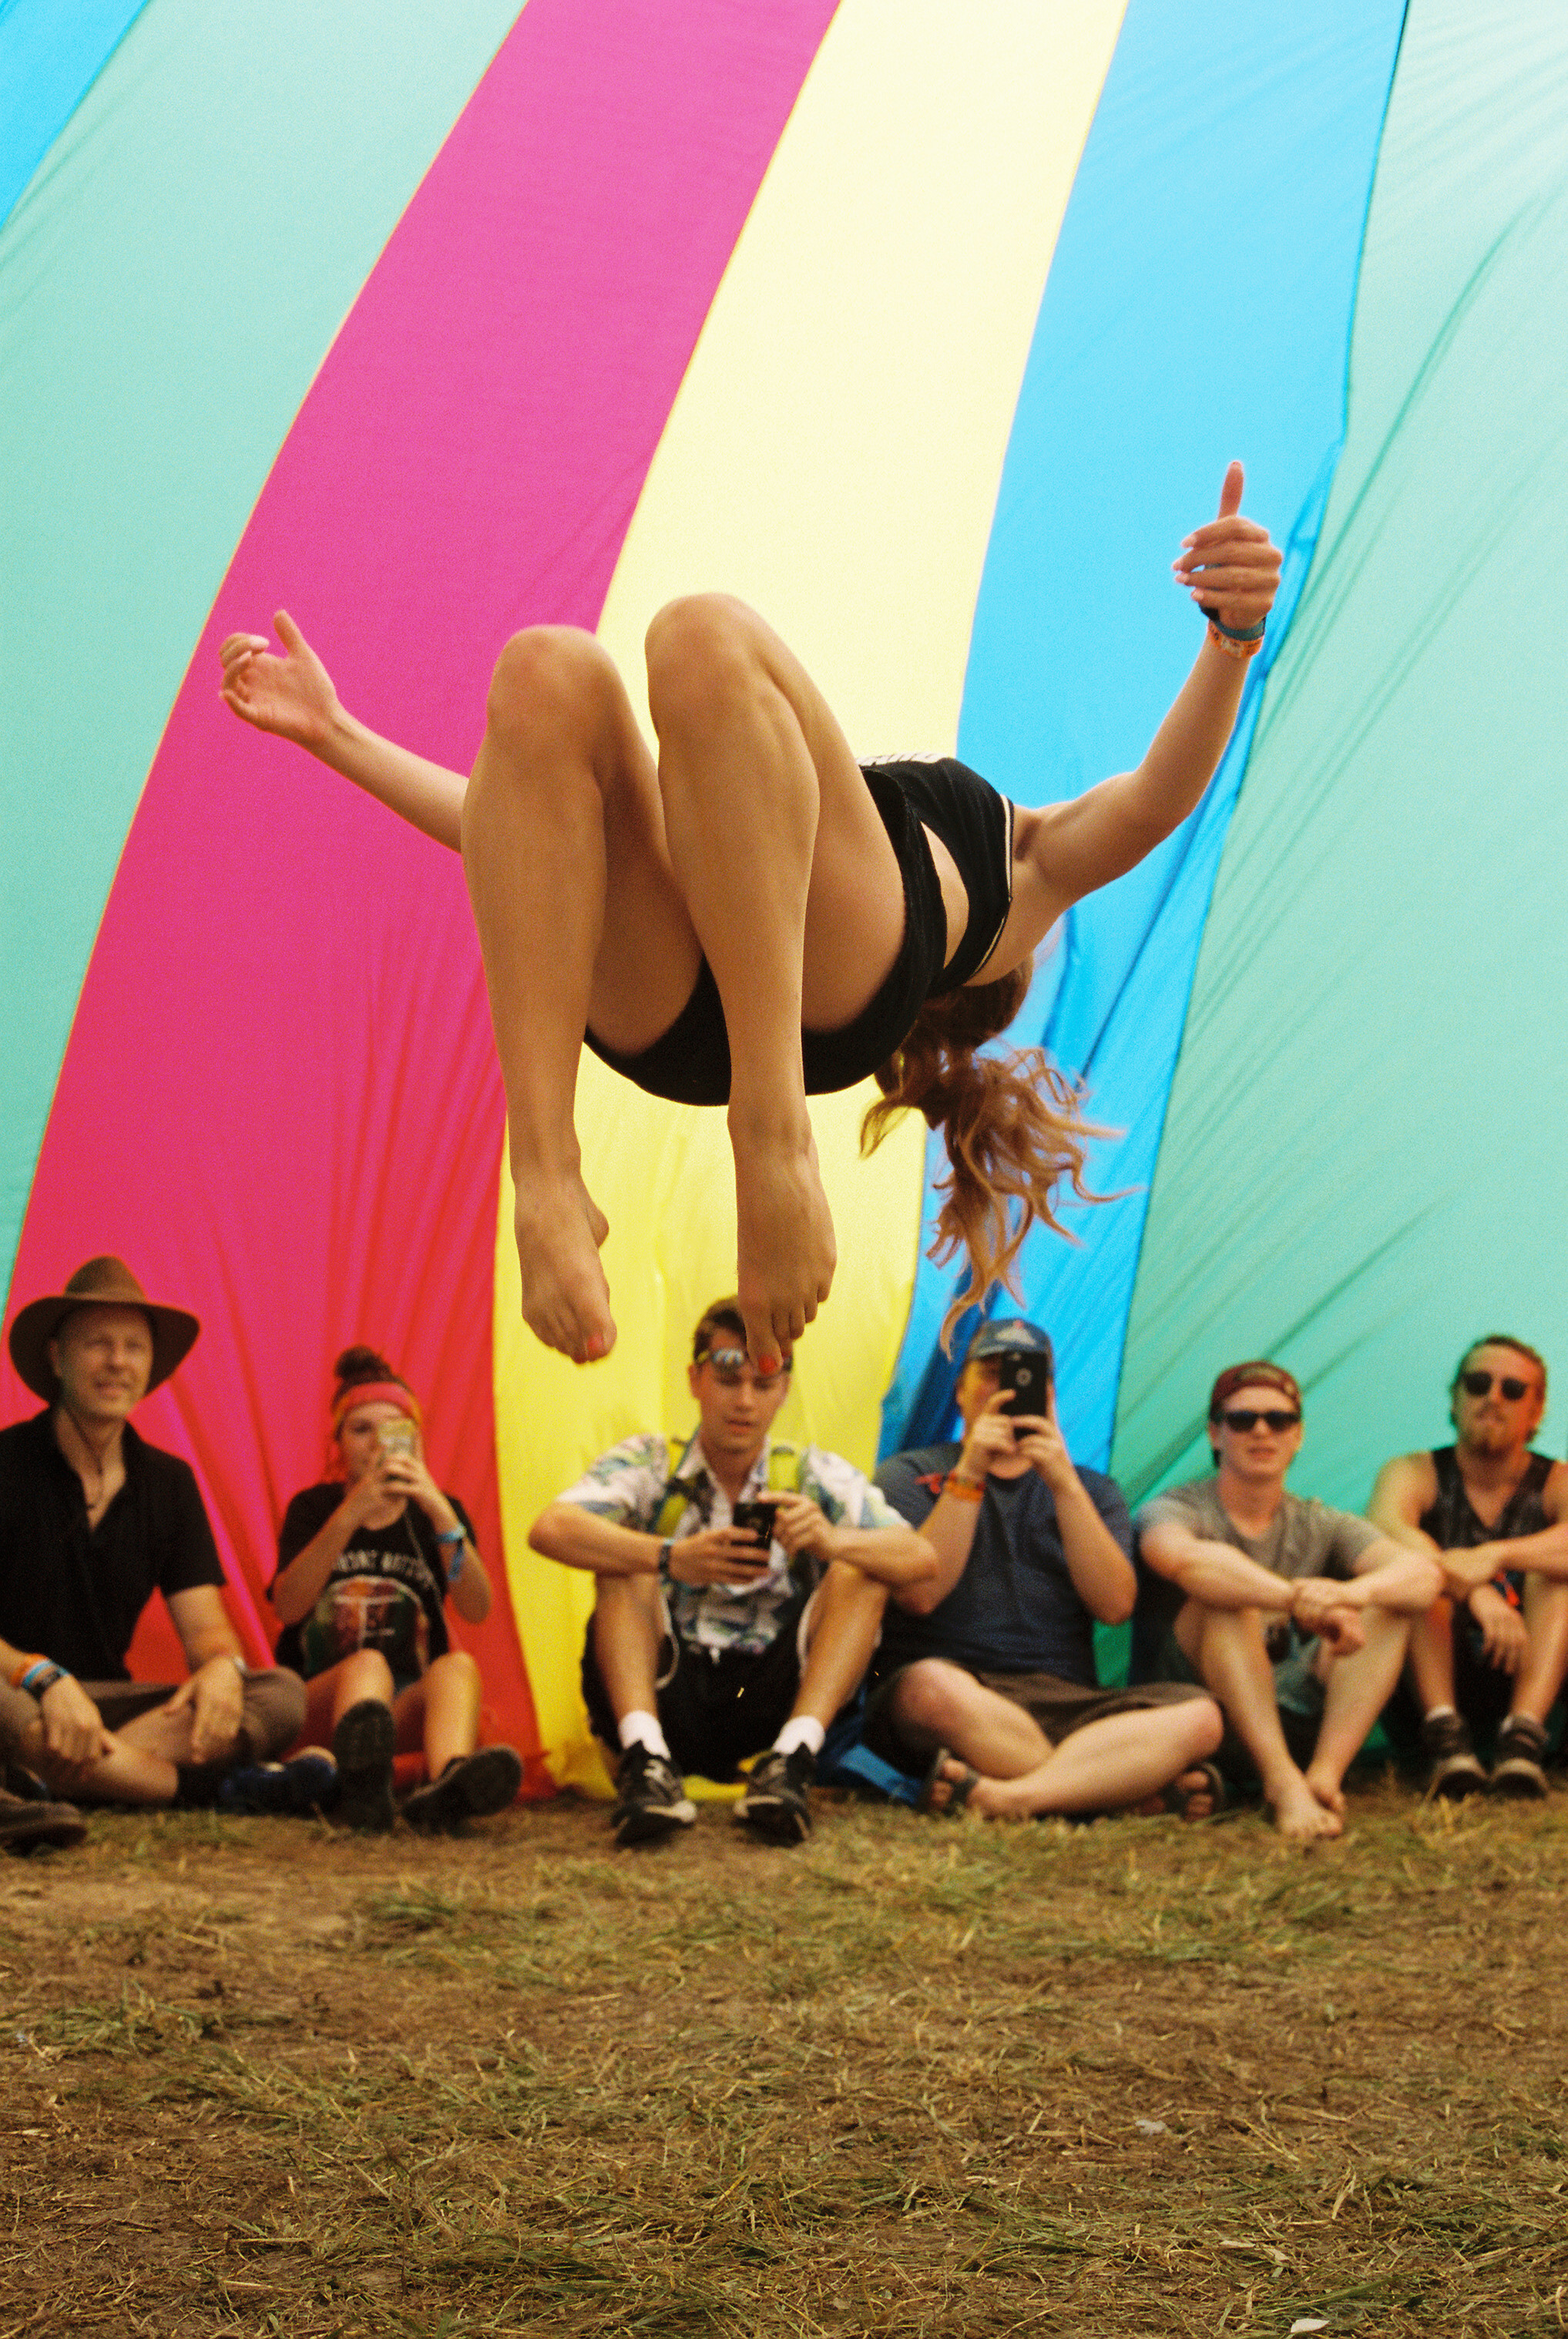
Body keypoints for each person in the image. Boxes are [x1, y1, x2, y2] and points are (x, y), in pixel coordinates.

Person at [219, 467, 1282, 1373]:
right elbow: (530, 847)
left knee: (701, 635)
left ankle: (766, 1137)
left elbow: (1156, 799)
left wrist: (1232, 640)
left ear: (989, 980)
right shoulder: (755, 835)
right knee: (545, 673)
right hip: (689, 1012)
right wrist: (337, 732)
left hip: (792, 1025)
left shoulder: (1016, 879)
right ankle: (546, 1176)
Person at [528, 1296, 937, 1846]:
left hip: (767, 1696)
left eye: (763, 1383)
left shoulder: (810, 1472)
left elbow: (921, 1559)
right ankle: (647, 1760)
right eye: (727, 1379)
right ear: (695, 1380)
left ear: (783, 1390)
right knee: (624, 1560)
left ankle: (792, 1759)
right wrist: (672, 1556)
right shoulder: (651, 1461)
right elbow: (550, 1528)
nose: (744, 1400)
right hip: (668, 1688)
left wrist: (830, 1539)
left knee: (859, 1568)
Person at [865, 1320, 1224, 1822]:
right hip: (959, 1694)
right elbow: (920, 1595)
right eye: (991, 1373)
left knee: (1202, 1716)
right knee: (928, 1690)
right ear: (960, 1391)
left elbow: (1115, 1606)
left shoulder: (1091, 1490)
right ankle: (1113, 1790)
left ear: (1050, 1394)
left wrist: (1062, 1481)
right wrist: (971, 1470)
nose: (1007, 1389)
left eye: (1026, 1376)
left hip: (1068, 1701)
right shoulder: (909, 1475)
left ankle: (1013, 1797)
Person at [0, 1256, 307, 1830]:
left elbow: (206, 1629)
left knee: (281, 1692)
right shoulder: (7, 1462)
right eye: (98, 1343)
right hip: (18, 1692)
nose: (118, 1361)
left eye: (134, 1347)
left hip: (111, 1705)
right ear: (57, 1357)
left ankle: (43, 1778)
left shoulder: (168, 1481)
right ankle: (198, 1789)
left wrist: (221, 1666)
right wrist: (41, 1676)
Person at [1137, 1363, 1442, 1843]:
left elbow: (1424, 1576)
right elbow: (1181, 1559)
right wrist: (1298, 1600)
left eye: (1279, 1420)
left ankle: (1324, 1776)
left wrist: (1351, 1594)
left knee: (1390, 1607)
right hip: (1197, 1718)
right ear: (1215, 1434)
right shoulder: (1177, 1507)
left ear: (1297, 1436)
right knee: (1228, 1600)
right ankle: (1282, 1783)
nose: (1262, 1431)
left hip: (1297, 1716)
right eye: (1242, 1420)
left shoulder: (1320, 1521)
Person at [272, 1346, 523, 1831]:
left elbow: (477, 1608)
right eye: (360, 1430)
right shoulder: (314, 1508)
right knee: (368, 1665)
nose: (376, 1445)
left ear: (416, 1440)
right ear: (338, 1443)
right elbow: (288, 1606)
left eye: (392, 1430)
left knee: (458, 1666)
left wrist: (440, 1512)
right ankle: (359, 1785)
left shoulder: (438, 1515)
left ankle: (448, 1783)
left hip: (401, 1706)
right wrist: (352, 1511)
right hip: (318, 1702)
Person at [1368, 1336, 1568, 1799]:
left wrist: (1495, 1556)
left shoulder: (1556, 1481)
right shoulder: (1412, 1472)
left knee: (1555, 1574)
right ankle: (1446, 1741)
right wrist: (1476, 1593)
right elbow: (1383, 1530)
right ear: (1455, 1399)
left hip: (1534, 1671)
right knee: (1418, 1574)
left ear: (1536, 1411)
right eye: (1478, 1383)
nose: (1493, 1397)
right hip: (1424, 1686)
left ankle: (1524, 1739)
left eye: (1513, 1389)